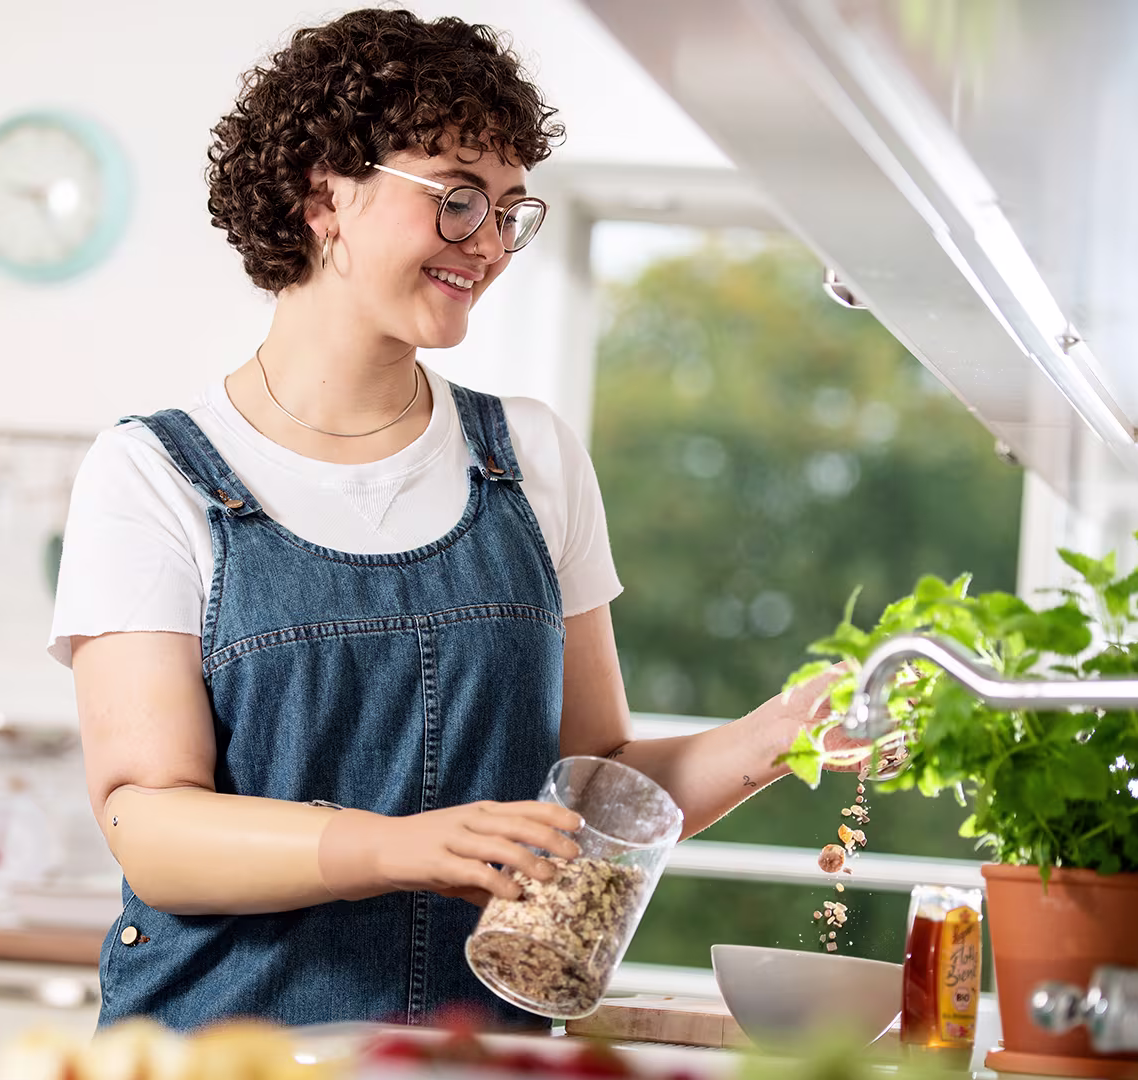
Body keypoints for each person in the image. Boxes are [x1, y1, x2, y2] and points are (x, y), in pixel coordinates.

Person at [49, 8, 861, 1033]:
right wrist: (403, 846)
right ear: (322, 194)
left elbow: (595, 792)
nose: (489, 244)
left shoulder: (531, 461)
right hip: (224, 1051)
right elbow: (151, 825)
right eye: (458, 199)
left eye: (513, 211)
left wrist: (775, 738)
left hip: (476, 1054)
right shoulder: (154, 475)